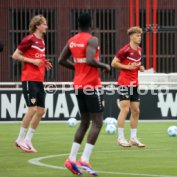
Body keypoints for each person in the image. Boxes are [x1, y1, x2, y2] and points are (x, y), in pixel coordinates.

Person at [58, 13, 110, 176]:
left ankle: (71, 159)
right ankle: (85, 160)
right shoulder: (92, 39)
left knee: (84, 122)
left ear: (78, 24)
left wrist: (78, 70)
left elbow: (61, 59)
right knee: (97, 123)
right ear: (91, 23)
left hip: (78, 85)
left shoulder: (72, 40)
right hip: (92, 85)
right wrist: (104, 65)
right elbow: (89, 60)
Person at [12, 15, 52, 153]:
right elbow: (15, 55)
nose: (46, 26)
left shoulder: (42, 41)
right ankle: (19, 139)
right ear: (37, 26)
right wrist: (32, 61)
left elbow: (37, 56)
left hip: (39, 79)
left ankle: (28, 140)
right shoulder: (29, 39)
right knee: (32, 109)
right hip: (29, 79)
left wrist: (43, 61)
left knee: (41, 110)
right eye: (44, 24)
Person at [111, 26, 145, 148]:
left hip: (134, 84)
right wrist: (127, 67)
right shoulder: (124, 50)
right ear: (131, 37)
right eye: (137, 35)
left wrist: (140, 67)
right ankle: (120, 138)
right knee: (125, 109)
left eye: (140, 35)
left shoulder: (139, 50)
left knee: (136, 110)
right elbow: (113, 63)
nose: (139, 37)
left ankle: (133, 138)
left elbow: (136, 63)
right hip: (124, 83)